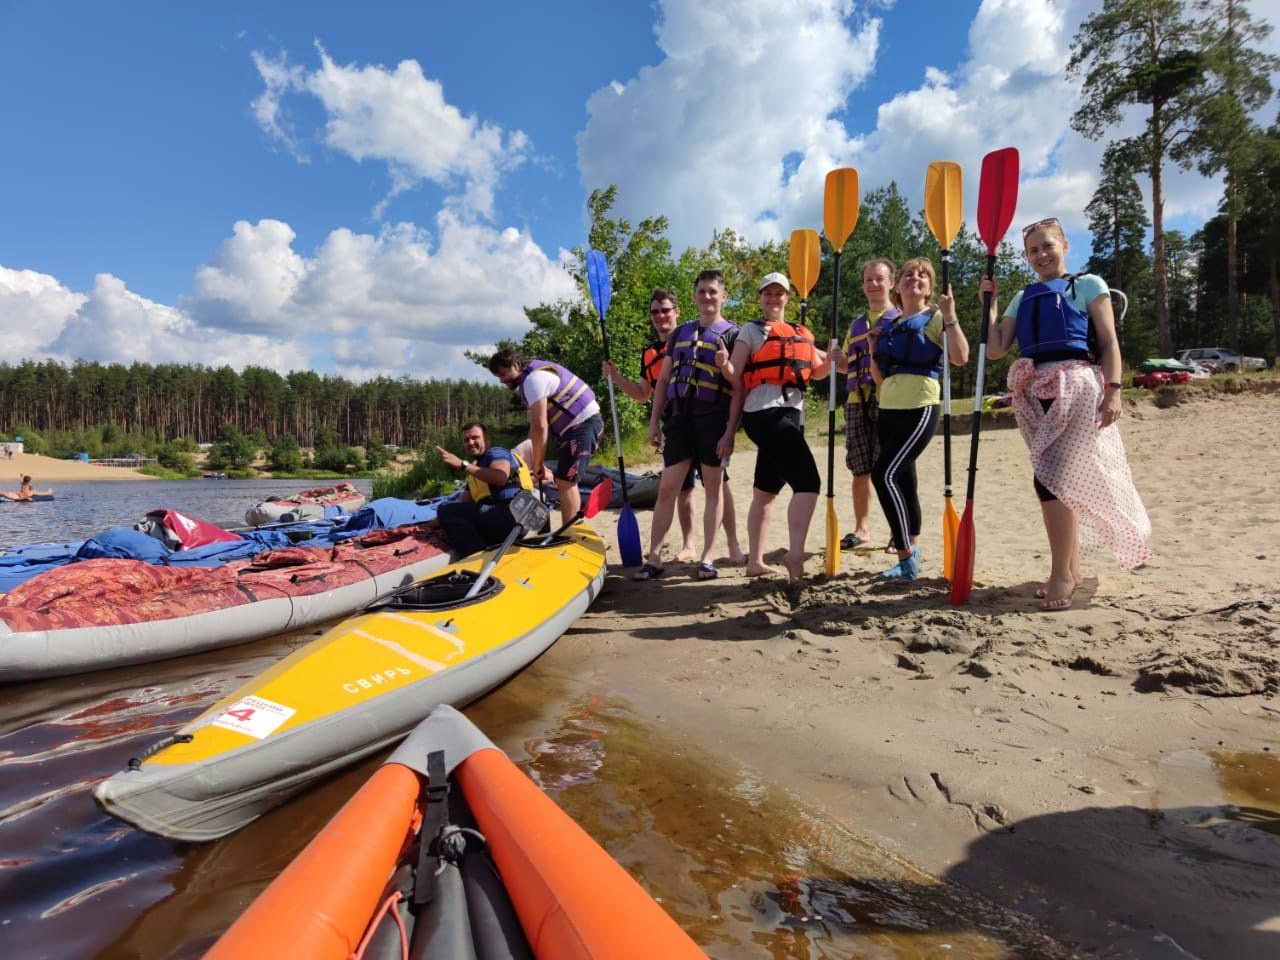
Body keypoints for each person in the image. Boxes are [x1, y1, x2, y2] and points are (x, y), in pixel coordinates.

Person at [983, 216, 1151, 610]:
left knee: (1051, 479)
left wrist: (1113, 391)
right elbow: (996, 348)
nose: (1040, 255)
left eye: (1047, 246)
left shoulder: (1088, 284)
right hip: (1033, 390)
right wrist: (988, 305)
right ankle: (1071, 568)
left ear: (1064, 246)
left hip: (1077, 386)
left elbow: (1108, 342)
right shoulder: (1022, 297)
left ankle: (1061, 574)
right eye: (1032, 250)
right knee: (1057, 479)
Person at [603, 288, 744, 565]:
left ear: (677, 312)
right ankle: (689, 545)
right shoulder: (651, 353)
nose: (660, 316)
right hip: (675, 423)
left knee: (718, 485)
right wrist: (616, 377)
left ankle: (733, 545)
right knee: (682, 489)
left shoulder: (696, 336)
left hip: (705, 419)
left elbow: (733, 381)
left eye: (665, 310)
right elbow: (644, 394)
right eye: (655, 311)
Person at [867, 258, 969, 580]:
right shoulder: (891, 326)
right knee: (906, 483)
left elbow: (960, 357)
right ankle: (912, 556)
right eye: (908, 274)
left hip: (921, 406)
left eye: (923, 275)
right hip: (889, 408)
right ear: (897, 286)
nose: (915, 278)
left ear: (930, 287)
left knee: (883, 475)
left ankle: (905, 553)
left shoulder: (936, 317)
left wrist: (950, 315)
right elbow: (880, 378)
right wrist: (872, 349)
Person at [724, 272, 830, 579]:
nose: (773, 298)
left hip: (791, 414)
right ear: (759, 297)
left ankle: (755, 561)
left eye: (779, 293)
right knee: (809, 483)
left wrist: (836, 357)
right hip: (764, 413)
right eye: (767, 293)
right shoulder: (751, 330)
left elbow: (819, 370)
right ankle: (795, 556)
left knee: (765, 491)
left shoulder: (801, 333)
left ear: (787, 298)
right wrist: (723, 363)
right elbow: (735, 370)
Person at [637, 269, 739, 581]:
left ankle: (707, 557)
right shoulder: (681, 333)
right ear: (694, 296)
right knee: (667, 488)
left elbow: (739, 387)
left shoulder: (734, 334)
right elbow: (665, 379)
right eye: (701, 291)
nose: (707, 296)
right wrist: (654, 423)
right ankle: (654, 557)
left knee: (713, 489)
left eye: (713, 291)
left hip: (713, 418)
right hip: (679, 419)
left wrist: (730, 432)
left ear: (723, 296)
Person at [488, 349, 604, 528]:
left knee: (566, 482)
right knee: (564, 480)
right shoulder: (533, 378)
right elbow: (534, 429)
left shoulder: (533, 381)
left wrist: (538, 463)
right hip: (579, 426)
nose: (502, 380)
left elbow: (540, 426)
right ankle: (571, 528)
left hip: (583, 425)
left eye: (503, 374)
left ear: (516, 365)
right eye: (498, 377)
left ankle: (570, 531)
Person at [835, 259, 899, 551]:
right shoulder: (856, 325)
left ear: (891, 283)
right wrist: (836, 362)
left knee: (891, 467)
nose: (873, 284)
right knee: (860, 468)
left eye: (879, 279)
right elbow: (846, 367)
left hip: (890, 400)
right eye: (868, 280)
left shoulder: (899, 319)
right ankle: (862, 529)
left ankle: (898, 530)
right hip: (856, 401)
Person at [433, 422, 536, 557]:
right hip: (501, 521)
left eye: (475, 437)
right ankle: (485, 550)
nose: (470, 442)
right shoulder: (477, 469)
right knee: (446, 508)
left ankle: (476, 558)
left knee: (446, 509)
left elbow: (500, 477)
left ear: (487, 439)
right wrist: (429, 525)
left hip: (512, 517)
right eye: (466, 440)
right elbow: (461, 502)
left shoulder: (496, 452)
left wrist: (462, 465)